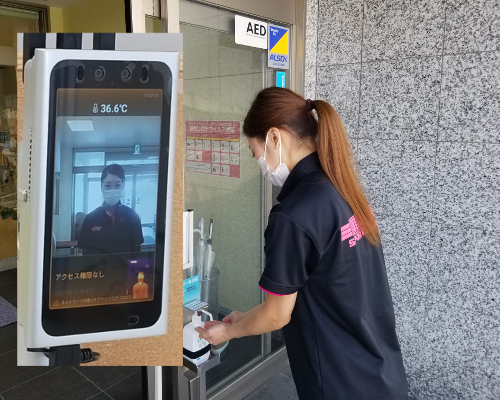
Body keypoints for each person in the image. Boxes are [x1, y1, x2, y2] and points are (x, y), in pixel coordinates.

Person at [195, 88, 409, 400]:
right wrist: (244, 318)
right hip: (380, 371)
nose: (259, 163)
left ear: (274, 138)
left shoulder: (294, 215)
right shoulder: (339, 186)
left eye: (255, 152)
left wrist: (227, 331)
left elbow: (277, 316)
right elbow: (299, 291)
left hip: (340, 382)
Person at [78, 164, 144, 255]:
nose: (112, 190)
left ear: (123, 186)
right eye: (107, 186)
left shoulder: (132, 216)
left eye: (117, 185)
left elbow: (137, 253)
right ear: (101, 186)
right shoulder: (90, 219)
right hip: (97, 268)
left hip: (124, 268)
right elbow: (84, 255)